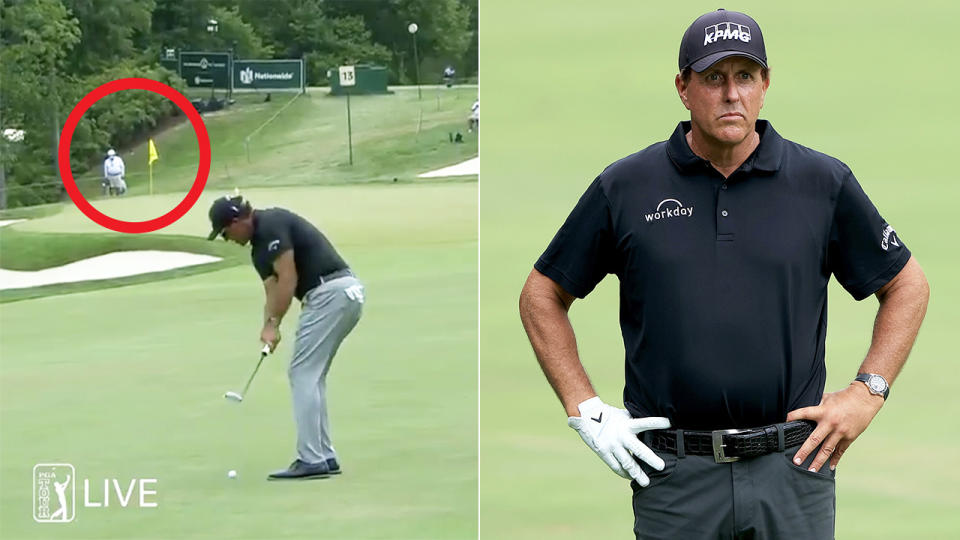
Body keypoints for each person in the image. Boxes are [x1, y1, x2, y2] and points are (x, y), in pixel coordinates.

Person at [518, 9, 929, 539]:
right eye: (713, 78)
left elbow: (906, 283)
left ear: (765, 85)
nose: (731, 94)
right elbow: (541, 294)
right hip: (674, 476)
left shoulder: (821, 182)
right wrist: (587, 409)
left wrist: (867, 392)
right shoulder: (627, 187)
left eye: (745, 76)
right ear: (683, 88)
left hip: (794, 468)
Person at [207, 195, 365, 480]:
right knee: (312, 375)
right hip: (343, 294)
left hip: (330, 292)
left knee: (302, 373)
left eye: (226, 232)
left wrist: (276, 322)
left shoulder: (271, 223)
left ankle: (311, 459)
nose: (227, 239)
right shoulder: (258, 250)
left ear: (237, 221)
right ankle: (324, 455)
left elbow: (288, 278)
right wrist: (269, 327)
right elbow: (273, 289)